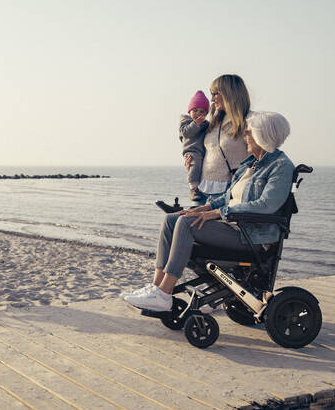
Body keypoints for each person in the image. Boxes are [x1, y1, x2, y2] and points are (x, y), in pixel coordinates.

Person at [123, 111, 294, 312]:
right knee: (174, 218)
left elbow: (265, 205)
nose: (245, 136)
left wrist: (218, 213)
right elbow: (228, 196)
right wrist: (204, 208)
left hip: (250, 237)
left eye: (248, 132)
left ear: (263, 136)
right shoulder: (250, 164)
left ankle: (165, 294)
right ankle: (156, 287)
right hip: (233, 228)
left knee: (188, 224)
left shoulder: (281, 167)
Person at [185, 75, 251, 205]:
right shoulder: (213, 123)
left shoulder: (248, 122)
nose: (211, 99)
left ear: (229, 93)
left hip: (228, 190)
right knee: (188, 223)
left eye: (215, 94)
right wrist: (191, 163)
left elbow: (260, 157)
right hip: (203, 188)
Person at [180, 90, 210, 200]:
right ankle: (193, 188)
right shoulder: (186, 120)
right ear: (190, 111)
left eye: (202, 111)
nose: (198, 114)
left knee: (201, 167)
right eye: (195, 110)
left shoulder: (205, 124)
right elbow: (186, 133)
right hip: (191, 150)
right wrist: (196, 124)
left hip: (203, 150)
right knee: (195, 164)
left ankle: (200, 189)